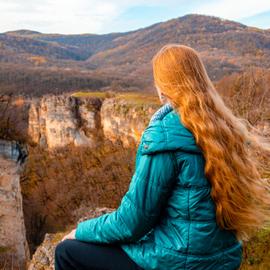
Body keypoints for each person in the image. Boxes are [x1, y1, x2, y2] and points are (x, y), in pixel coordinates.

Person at [54, 44, 270, 270]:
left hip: (176, 263)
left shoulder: (166, 134)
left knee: (66, 252)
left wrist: (80, 230)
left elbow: (132, 222)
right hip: (222, 260)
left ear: (163, 87)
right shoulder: (225, 128)